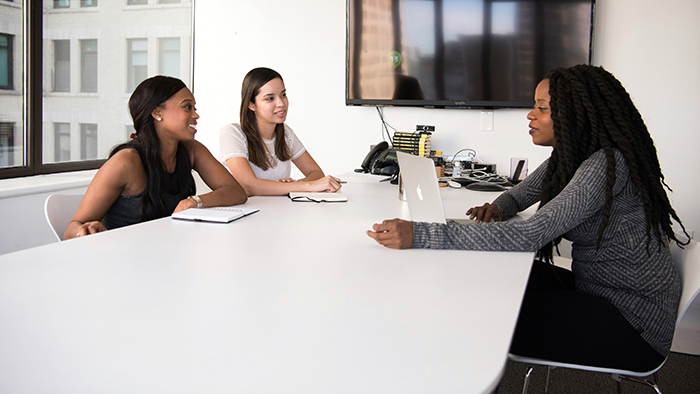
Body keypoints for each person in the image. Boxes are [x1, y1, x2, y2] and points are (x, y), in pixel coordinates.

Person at [367, 64, 690, 371]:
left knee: (482, 313)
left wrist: (422, 234)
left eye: (543, 108)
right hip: (597, 290)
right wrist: (499, 208)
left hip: (632, 324)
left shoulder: (605, 165)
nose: (530, 114)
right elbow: (520, 194)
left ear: (575, 115)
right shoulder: (570, 158)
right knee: (492, 277)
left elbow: (530, 235)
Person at [64, 75, 247, 240]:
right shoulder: (125, 162)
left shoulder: (192, 150)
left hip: (166, 253)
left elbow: (235, 192)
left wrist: (194, 202)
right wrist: (85, 231)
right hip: (124, 260)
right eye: (187, 107)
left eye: (194, 107)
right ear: (157, 112)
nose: (195, 115)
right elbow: (71, 229)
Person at [218, 67, 341, 196]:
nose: (281, 103)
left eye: (283, 94)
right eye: (270, 98)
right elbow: (249, 186)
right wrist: (300, 186)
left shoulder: (285, 133)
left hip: (280, 211)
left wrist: (292, 186)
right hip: (250, 213)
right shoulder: (232, 133)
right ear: (251, 104)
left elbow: (316, 173)